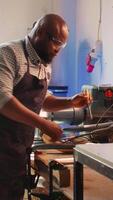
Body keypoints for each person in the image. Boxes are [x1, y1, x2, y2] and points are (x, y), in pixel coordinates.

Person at [0, 13, 91, 200]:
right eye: (57, 42)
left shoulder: (44, 62)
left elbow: (42, 100)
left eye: (62, 45)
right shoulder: (9, 53)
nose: (58, 50)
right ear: (41, 32)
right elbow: (3, 98)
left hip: (18, 149)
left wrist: (70, 102)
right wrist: (43, 124)